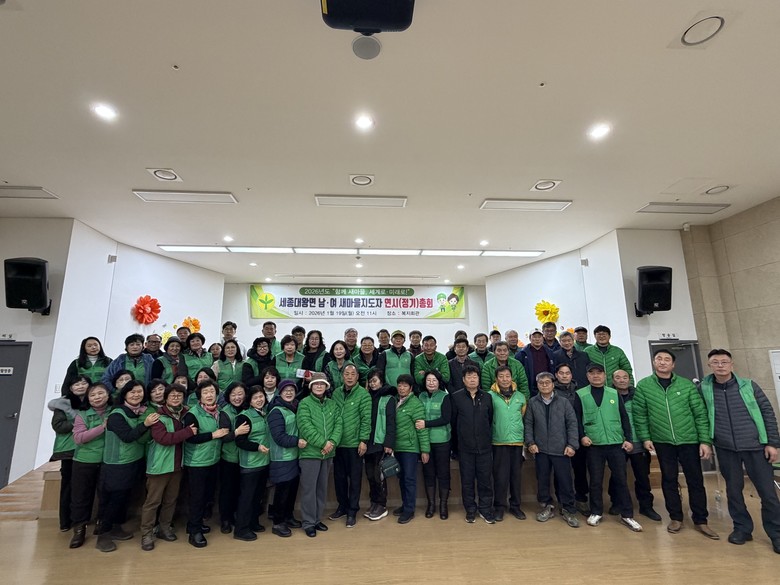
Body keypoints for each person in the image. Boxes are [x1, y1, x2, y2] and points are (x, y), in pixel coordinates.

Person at [699, 349, 780, 553]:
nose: (720, 366)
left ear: (732, 364)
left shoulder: (749, 386)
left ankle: (777, 534)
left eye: (724, 362)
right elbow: (701, 416)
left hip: (756, 447)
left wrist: (772, 443)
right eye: (715, 362)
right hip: (726, 448)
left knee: (768, 493)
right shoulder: (704, 388)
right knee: (734, 491)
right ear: (709, 365)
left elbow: (767, 413)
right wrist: (706, 441)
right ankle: (742, 528)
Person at [633, 349, 717, 538]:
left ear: (673, 364)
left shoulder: (686, 385)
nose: (662, 362)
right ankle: (676, 517)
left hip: (689, 439)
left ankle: (701, 520)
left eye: (666, 359)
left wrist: (705, 441)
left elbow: (700, 414)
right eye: (659, 359)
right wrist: (646, 438)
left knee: (695, 480)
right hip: (662, 441)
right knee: (669, 479)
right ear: (654, 362)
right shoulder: (644, 386)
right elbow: (640, 414)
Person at [573, 363, 642, 532]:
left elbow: (624, 417)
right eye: (592, 373)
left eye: (599, 373)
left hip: (616, 443)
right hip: (594, 444)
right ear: (587, 376)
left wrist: (628, 439)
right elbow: (577, 419)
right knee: (595, 481)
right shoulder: (580, 394)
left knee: (621, 479)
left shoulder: (613, 393)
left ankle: (627, 514)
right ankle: (596, 512)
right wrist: (582, 436)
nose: (596, 376)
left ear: (604, 376)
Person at [96, 381, 158, 552]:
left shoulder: (138, 412)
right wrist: (145, 424)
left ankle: (116, 528)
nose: (136, 395)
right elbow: (128, 436)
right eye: (132, 392)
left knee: (124, 498)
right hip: (117, 464)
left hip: (133, 461)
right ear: (124, 394)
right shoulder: (116, 415)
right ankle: (103, 534)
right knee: (113, 500)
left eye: (139, 392)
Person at [140, 383, 195, 550]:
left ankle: (164, 527)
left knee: (171, 500)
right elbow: (163, 439)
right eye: (172, 395)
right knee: (153, 502)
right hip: (159, 466)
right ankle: (146, 533)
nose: (176, 398)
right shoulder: (157, 416)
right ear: (165, 398)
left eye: (179, 395)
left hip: (177, 465)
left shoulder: (186, 413)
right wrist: (187, 432)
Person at [524, 372, 580, 528]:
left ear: (553, 384)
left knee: (565, 480)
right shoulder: (533, 402)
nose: (544, 385)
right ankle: (546, 506)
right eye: (541, 383)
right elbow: (528, 424)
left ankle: (568, 509)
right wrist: (530, 442)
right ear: (537, 385)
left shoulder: (564, 402)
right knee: (542, 479)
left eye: (547, 382)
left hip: (561, 449)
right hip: (540, 449)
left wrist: (572, 445)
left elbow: (572, 424)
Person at [182, 379, 233, 548]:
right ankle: (194, 532)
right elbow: (190, 438)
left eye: (212, 392)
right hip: (197, 462)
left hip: (213, 460)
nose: (209, 395)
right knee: (197, 498)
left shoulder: (218, 412)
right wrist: (213, 435)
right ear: (199, 397)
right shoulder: (193, 414)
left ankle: (194, 524)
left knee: (206, 496)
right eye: (205, 392)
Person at [609, 369, 660, 522]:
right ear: (613, 380)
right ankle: (617, 503)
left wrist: (647, 437)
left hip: (638, 441)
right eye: (618, 378)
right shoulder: (608, 396)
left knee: (642, 476)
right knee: (617, 475)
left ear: (629, 379)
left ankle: (646, 506)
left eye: (625, 377)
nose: (622, 380)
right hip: (617, 441)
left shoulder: (639, 395)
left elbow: (648, 416)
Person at [297, 373, 343, 537]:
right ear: (311, 386)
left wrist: (331, 442)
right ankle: (308, 522)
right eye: (316, 383)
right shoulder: (304, 403)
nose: (319, 386)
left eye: (322, 384)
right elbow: (305, 427)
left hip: (327, 454)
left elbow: (339, 424)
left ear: (326, 386)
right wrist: (323, 443)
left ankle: (317, 519)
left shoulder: (332, 404)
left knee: (322, 489)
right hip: (310, 453)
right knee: (309, 489)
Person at [69, 382, 111, 549]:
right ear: (88, 398)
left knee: (105, 495)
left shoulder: (114, 411)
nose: (97, 397)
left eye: (100, 393)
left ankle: (102, 524)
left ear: (108, 395)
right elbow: (79, 438)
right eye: (92, 395)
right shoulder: (82, 414)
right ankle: (79, 529)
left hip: (107, 460)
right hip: (84, 461)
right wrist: (102, 427)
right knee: (80, 497)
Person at [451, 364, 495, 524]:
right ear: (463, 379)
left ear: (479, 379)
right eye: (468, 377)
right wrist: (455, 448)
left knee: (485, 481)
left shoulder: (487, 397)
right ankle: (470, 510)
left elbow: (490, 419)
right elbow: (453, 423)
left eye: (474, 376)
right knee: (467, 481)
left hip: (484, 447)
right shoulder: (456, 397)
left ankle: (485, 509)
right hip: (465, 448)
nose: (472, 379)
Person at [329, 364, 372, 527]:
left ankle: (352, 510)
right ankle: (342, 506)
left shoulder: (363, 394)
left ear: (357, 377)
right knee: (339, 478)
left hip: (355, 444)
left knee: (354, 479)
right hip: (338, 443)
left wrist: (363, 440)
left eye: (352, 374)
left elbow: (366, 419)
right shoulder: (336, 393)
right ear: (342, 376)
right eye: (346, 374)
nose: (349, 377)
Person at [49, 375, 90, 532]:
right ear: (70, 387)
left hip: (86, 448)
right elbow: (58, 426)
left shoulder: (91, 402)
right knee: (68, 485)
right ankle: (65, 521)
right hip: (68, 449)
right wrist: (79, 423)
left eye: (83, 383)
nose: (80, 386)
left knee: (82, 486)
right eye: (76, 384)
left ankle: (80, 518)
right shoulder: (63, 404)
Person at [267, 380, 305, 537]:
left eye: (292, 390)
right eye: (285, 390)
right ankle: (278, 522)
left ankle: (288, 516)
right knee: (282, 491)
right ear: (280, 392)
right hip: (281, 458)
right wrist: (297, 441)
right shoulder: (276, 411)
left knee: (292, 490)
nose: (289, 392)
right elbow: (279, 437)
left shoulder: (293, 407)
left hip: (293, 456)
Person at [233, 385, 272, 541]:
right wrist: (257, 447)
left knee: (258, 496)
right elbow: (240, 441)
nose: (259, 400)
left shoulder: (264, 413)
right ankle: (241, 529)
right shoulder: (244, 417)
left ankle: (253, 522)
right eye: (255, 398)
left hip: (264, 461)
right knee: (247, 497)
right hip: (250, 464)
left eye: (261, 396)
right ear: (249, 401)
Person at [489, 365, 526, 521]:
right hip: (498, 442)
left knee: (516, 477)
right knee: (500, 477)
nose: (505, 379)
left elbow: (523, 417)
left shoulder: (521, 397)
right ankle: (499, 507)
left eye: (507, 376)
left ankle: (516, 506)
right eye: (501, 376)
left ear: (512, 378)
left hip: (517, 442)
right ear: (496, 379)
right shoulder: (489, 396)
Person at [393, 374, 430, 524]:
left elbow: (421, 428)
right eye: (399, 385)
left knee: (409, 479)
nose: (402, 388)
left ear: (411, 388)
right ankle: (405, 505)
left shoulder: (415, 404)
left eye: (405, 386)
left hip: (410, 448)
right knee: (401, 478)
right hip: (397, 447)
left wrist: (425, 450)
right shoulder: (395, 401)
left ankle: (409, 510)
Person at [553, 363, 589, 514]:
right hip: (559, 437)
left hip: (578, 436)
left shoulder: (580, 392)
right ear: (556, 375)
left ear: (571, 375)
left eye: (567, 373)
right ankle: (563, 501)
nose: (564, 376)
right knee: (560, 472)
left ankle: (581, 499)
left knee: (580, 470)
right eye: (561, 373)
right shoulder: (552, 392)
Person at [363, 369, 396, 521]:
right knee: (370, 475)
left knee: (379, 476)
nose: (372, 384)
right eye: (370, 381)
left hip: (381, 442)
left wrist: (388, 443)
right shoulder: (367, 397)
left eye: (375, 381)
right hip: (368, 442)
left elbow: (391, 422)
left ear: (381, 381)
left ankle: (382, 505)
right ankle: (374, 502)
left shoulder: (389, 398)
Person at [218, 382, 250, 534]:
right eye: (233, 394)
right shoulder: (225, 412)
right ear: (228, 396)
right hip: (229, 457)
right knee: (227, 490)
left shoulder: (249, 410)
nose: (237, 397)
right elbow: (223, 438)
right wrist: (236, 432)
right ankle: (225, 519)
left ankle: (238, 516)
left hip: (246, 458)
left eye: (240, 394)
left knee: (241, 490)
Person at [418, 371, 451, 519]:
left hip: (442, 441)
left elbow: (445, 419)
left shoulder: (445, 396)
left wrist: (426, 424)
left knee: (443, 474)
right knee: (428, 473)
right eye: (428, 380)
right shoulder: (420, 396)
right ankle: (431, 505)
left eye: (434, 380)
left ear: (439, 382)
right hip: (425, 442)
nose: (431, 383)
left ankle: (443, 505)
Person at [516, 329, 555, 397]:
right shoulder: (522, 354)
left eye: (539, 337)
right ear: (530, 338)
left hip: (547, 386)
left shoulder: (550, 352)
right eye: (534, 337)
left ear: (543, 338)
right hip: (530, 388)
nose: (537, 339)